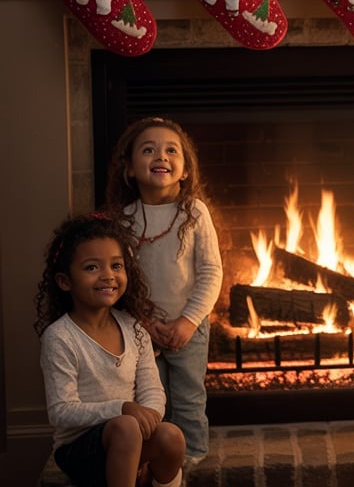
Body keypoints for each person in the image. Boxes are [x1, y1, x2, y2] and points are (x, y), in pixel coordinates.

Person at [36, 213, 186, 487]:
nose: (108, 275)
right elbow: (61, 411)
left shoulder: (134, 328)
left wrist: (150, 418)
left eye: (116, 265)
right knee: (125, 426)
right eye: (92, 267)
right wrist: (122, 409)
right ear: (65, 281)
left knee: (171, 436)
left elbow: (152, 389)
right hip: (80, 449)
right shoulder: (60, 337)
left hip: (131, 436)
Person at [104, 117, 223, 465]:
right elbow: (121, 279)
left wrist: (188, 321)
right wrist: (142, 322)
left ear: (185, 170)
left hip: (190, 327)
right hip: (141, 329)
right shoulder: (123, 219)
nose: (161, 156)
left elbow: (211, 271)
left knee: (188, 396)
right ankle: (158, 454)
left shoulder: (194, 213)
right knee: (151, 397)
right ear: (129, 168)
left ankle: (192, 457)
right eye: (148, 150)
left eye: (172, 150)